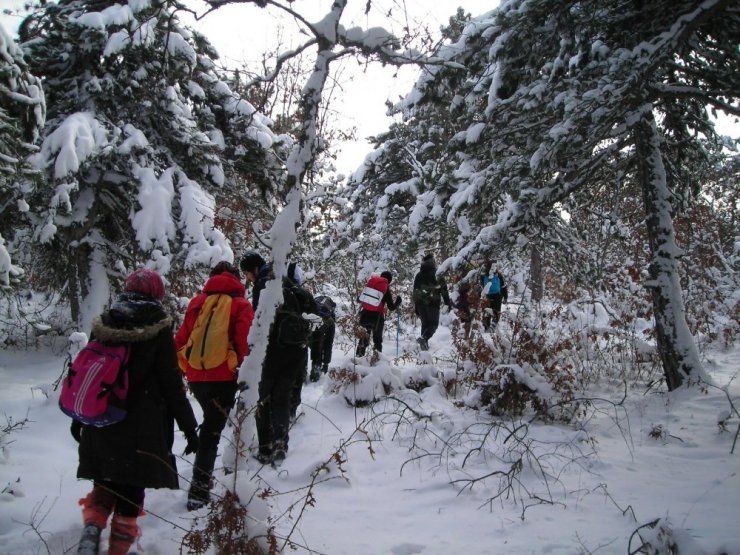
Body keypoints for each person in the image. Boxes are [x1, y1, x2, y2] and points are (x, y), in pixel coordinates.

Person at [72, 268, 199, 555]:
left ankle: (91, 530)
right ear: (157, 295)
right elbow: (171, 385)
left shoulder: (105, 322)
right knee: (130, 492)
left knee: (103, 482)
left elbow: (88, 372)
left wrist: (78, 417)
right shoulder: (159, 328)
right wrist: (190, 428)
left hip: (101, 418)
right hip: (141, 427)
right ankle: (117, 550)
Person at [175, 261, 254, 511]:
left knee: (211, 422)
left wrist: (181, 370)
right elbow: (244, 341)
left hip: (197, 376)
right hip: (224, 376)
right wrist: (245, 369)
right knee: (212, 428)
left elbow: (181, 338)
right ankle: (199, 489)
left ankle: (202, 479)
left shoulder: (197, 302)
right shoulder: (241, 305)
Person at [240, 251, 319, 466]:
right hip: (294, 349)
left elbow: (259, 318)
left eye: (247, 273)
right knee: (282, 397)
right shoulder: (288, 282)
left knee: (263, 398)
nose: (247, 278)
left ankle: (265, 448)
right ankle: (281, 443)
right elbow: (312, 309)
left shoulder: (264, 283)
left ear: (254, 269)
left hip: (271, 349)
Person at [355, 270, 402, 357]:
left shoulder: (371, 284)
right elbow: (391, 307)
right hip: (377, 317)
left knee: (363, 337)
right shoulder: (385, 288)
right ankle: (376, 360)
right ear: (389, 281)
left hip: (365, 314)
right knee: (377, 340)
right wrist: (398, 302)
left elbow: (359, 299)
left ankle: (358, 357)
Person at [412, 254, 451, 350]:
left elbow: (415, 291)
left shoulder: (418, 275)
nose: (435, 262)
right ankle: (424, 339)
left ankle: (424, 347)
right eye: (434, 261)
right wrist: (447, 303)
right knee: (433, 324)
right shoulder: (437, 273)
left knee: (425, 324)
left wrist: (416, 306)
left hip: (420, 304)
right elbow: (444, 290)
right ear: (432, 262)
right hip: (432, 303)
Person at [309, 294, 337, 381]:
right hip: (327, 323)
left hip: (312, 321)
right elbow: (328, 344)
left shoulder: (315, 302)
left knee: (315, 344)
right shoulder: (330, 311)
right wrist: (326, 363)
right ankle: (319, 369)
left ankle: (313, 368)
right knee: (326, 344)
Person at [480, 260, 508, 330]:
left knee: (496, 312)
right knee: (487, 312)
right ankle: (486, 327)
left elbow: (503, 286)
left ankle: (493, 326)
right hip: (487, 296)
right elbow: (481, 287)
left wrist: (505, 297)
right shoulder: (483, 276)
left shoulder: (498, 275)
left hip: (497, 296)